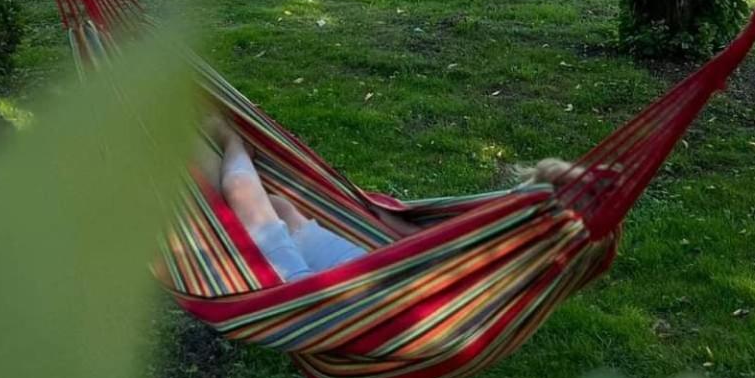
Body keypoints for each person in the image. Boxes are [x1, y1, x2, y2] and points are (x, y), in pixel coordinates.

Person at [197, 113, 584, 283]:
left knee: (240, 192)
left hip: (321, 299)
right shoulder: (487, 244)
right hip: (360, 270)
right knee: (280, 207)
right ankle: (222, 209)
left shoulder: (496, 268)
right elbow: (412, 239)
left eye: (515, 201)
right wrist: (367, 211)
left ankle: (233, 144)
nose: (502, 205)